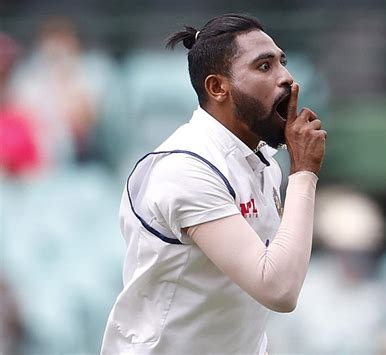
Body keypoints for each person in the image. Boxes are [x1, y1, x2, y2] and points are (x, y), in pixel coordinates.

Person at [101, 13, 326, 354]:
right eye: (264, 67)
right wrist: (304, 173)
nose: (287, 78)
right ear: (217, 87)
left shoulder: (264, 163)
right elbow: (278, 289)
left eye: (283, 62)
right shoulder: (185, 169)